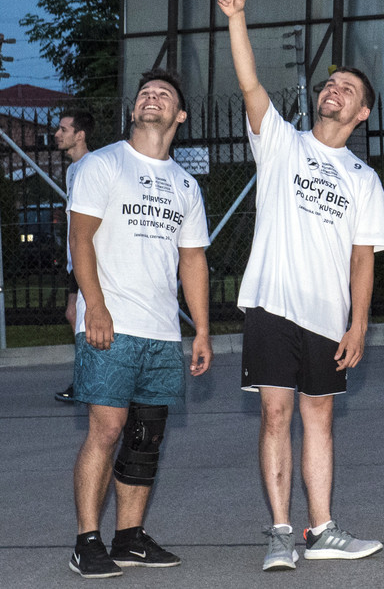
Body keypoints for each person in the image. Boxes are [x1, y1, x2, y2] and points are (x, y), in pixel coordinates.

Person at [217, 0, 384, 570]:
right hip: (272, 304)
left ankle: (323, 531)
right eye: (330, 83)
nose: (334, 90)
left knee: (320, 417)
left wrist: (359, 324)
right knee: (275, 413)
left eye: (348, 89)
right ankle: (281, 533)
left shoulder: (364, 179)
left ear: (362, 113)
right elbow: (250, 84)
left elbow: (363, 258)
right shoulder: (282, 143)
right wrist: (237, 18)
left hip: (327, 317)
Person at [67, 71, 211, 578]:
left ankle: (129, 538)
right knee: (107, 428)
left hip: (162, 332)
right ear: (134, 111)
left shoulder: (186, 185)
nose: (152, 97)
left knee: (147, 437)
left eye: (164, 94)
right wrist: (95, 306)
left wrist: (202, 330)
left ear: (180, 115)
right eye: (146, 93)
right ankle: (86, 541)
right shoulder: (104, 164)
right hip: (111, 323)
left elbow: (192, 260)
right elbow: (80, 239)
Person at [54, 108, 94, 404]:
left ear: (80, 135)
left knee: (82, 318)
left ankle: (88, 380)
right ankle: (87, 378)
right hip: (74, 258)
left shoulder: (93, 166)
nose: (57, 134)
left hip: (88, 256)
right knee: (74, 315)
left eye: (63, 129)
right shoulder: (72, 170)